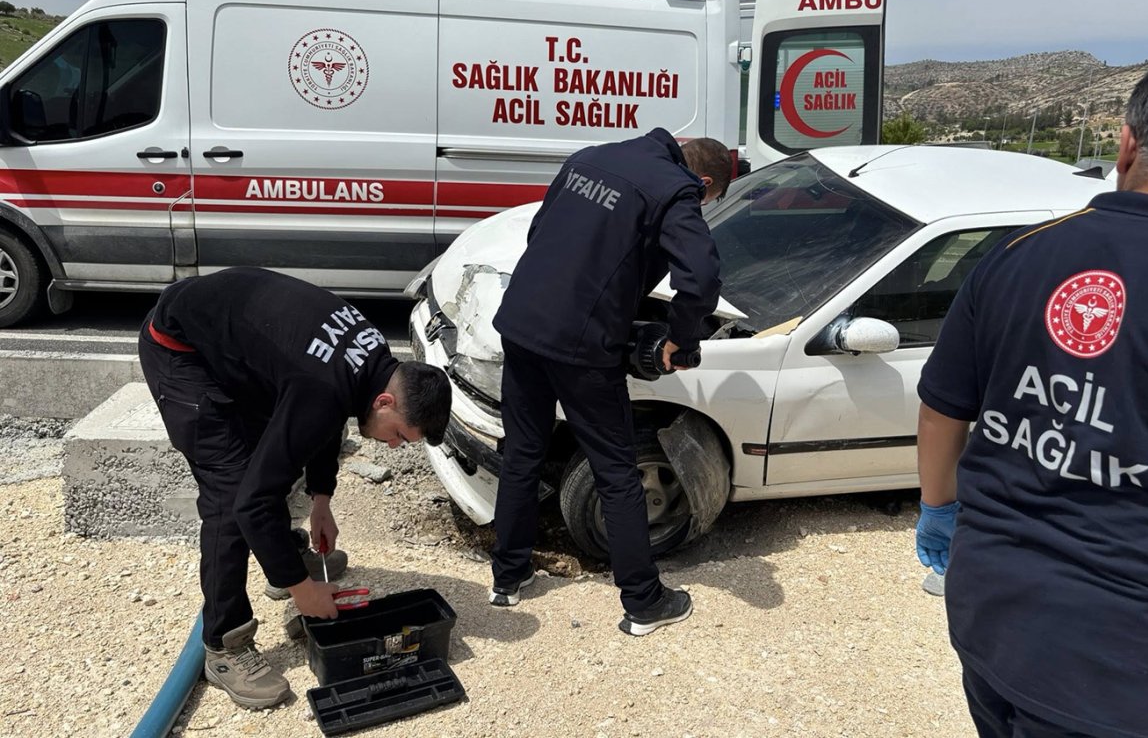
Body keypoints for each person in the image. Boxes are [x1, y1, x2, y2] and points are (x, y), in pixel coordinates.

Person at [915, 51, 1148, 737]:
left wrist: (938, 509)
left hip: (993, 620)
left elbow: (943, 409)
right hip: (1141, 665)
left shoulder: (1019, 253)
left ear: (1127, 143)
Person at [138, 267, 451, 709]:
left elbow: (328, 416)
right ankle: (224, 645)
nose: (395, 445)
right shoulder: (322, 386)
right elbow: (254, 500)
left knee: (268, 462)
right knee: (232, 495)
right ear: (386, 402)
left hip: (234, 345)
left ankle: (281, 559)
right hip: (182, 352)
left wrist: (321, 499)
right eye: (400, 434)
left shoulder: (375, 360)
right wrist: (304, 591)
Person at [489, 127, 730, 636]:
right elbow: (701, 277)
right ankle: (644, 602)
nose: (701, 206)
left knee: (523, 453)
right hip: (580, 347)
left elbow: (542, 232)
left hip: (522, 322)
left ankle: (508, 577)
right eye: (707, 202)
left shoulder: (591, 157)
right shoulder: (676, 189)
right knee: (617, 472)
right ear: (704, 182)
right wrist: (682, 340)